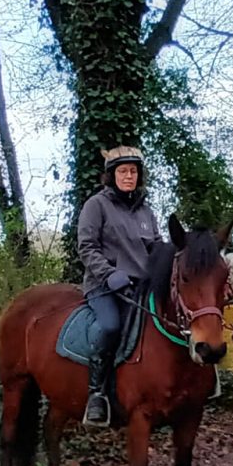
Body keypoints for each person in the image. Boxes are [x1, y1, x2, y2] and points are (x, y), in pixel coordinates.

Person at [77, 146, 162, 425]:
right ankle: (96, 394)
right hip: (105, 286)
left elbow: (157, 250)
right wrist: (109, 274)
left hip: (140, 287)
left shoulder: (147, 212)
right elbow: (87, 247)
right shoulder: (96, 205)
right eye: (123, 171)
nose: (129, 176)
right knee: (111, 326)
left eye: (134, 171)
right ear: (111, 176)